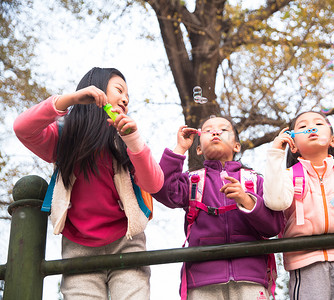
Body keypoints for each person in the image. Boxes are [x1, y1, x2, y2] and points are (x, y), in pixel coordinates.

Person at [13, 67, 164, 299]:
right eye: (119, 90)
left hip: (126, 241)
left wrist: (133, 140)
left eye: (128, 97)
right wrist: (70, 99)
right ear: (95, 89)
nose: (125, 98)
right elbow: (22, 128)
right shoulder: (64, 137)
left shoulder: (126, 139)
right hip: (79, 247)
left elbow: (154, 184)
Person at [152, 116, 284, 300]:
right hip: (202, 281)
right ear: (198, 149)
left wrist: (246, 200)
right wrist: (180, 148)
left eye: (223, 129)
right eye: (208, 130)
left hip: (250, 279)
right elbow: (162, 189)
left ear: (237, 146)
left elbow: (273, 227)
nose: (215, 132)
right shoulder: (192, 181)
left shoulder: (254, 181)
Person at [263, 111, 334, 300]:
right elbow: (275, 202)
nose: (311, 127)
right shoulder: (288, 176)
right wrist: (275, 152)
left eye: (318, 123)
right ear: (292, 145)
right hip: (305, 263)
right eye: (302, 126)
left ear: (332, 140)